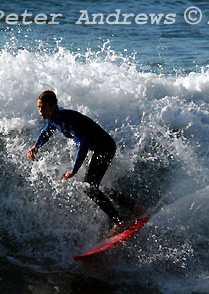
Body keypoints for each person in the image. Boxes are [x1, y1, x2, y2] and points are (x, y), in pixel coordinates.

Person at [28, 90, 140, 237]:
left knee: (90, 187)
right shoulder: (54, 117)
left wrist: (74, 170)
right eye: (38, 107)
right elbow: (47, 131)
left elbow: (84, 144)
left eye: (43, 107)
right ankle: (134, 207)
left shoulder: (67, 120)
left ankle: (119, 222)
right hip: (100, 148)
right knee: (94, 186)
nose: (40, 111)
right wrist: (36, 146)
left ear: (53, 106)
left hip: (105, 147)